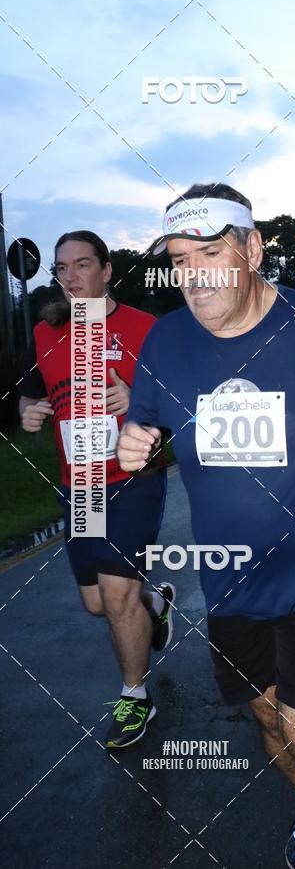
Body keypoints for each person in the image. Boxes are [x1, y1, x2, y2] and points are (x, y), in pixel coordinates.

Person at [117, 183, 295, 869]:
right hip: (231, 579)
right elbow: (147, 420)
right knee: (268, 718)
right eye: (180, 260)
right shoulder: (166, 338)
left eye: (210, 253)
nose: (194, 275)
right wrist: (138, 440)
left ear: (253, 249)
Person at [18, 231, 174, 748]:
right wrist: (28, 410)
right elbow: (33, 384)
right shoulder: (48, 330)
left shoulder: (144, 328)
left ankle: (135, 697)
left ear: (106, 270)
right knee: (95, 603)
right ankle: (153, 604)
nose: (70, 276)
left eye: (82, 265)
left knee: (114, 593)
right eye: (62, 268)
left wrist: (136, 395)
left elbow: (177, 403)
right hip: (79, 485)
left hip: (133, 480)